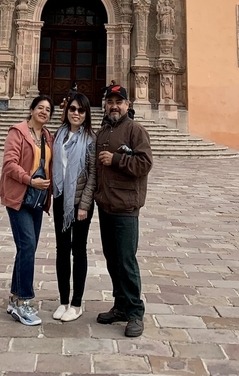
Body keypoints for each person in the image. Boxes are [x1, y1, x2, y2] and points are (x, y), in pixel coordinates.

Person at [95, 84, 153, 338]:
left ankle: (134, 312)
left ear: (128, 106)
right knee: (112, 259)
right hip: (106, 205)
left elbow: (144, 163)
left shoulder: (135, 130)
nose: (114, 106)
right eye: (110, 101)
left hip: (126, 207)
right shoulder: (104, 131)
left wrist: (116, 159)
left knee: (127, 261)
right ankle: (120, 305)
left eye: (119, 102)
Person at [0, 95, 54, 326]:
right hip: (20, 197)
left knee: (26, 248)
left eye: (48, 109)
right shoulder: (17, 132)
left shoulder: (48, 136)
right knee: (28, 246)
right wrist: (30, 180)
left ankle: (14, 297)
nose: (44, 112)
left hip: (37, 200)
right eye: (40, 108)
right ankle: (24, 301)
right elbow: (9, 164)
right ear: (31, 110)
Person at [52, 91, 96, 322]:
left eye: (80, 110)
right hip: (60, 199)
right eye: (72, 109)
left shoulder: (91, 139)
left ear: (87, 113)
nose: (76, 113)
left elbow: (93, 176)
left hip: (80, 204)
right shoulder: (57, 135)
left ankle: (77, 304)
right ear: (66, 111)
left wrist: (84, 205)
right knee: (61, 249)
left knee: (78, 249)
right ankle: (63, 301)